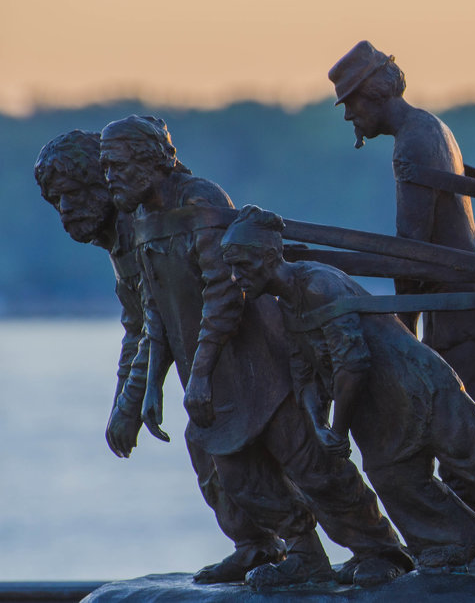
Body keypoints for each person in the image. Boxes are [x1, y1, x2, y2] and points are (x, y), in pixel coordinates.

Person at [99, 115, 411, 588]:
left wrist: (199, 373)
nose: (110, 177)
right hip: (209, 373)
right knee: (238, 475)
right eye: (105, 168)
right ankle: (300, 554)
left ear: (149, 160)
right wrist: (150, 388)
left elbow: (225, 295)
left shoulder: (200, 200)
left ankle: (382, 549)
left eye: (117, 165)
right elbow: (155, 308)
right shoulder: (140, 219)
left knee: (312, 464)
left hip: (259, 361)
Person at [219, 205, 475, 569]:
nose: (236, 277)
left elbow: (352, 364)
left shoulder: (319, 285)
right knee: (394, 478)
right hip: (382, 407)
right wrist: (318, 425)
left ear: (268, 257)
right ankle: (455, 538)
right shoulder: (288, 304)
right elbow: (305, 374)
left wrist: (339, 428)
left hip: (418, 385)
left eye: (242, 265)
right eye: (231, 267)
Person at [34, 130, 287, 584]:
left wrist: (129, 405)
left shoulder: (146, 225)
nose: (65, 212)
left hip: (243, 355)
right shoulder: (120, 239)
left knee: (267, 455)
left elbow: (155, 324)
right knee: (209, 452)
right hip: (209, 363)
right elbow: (141, 324)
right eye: (56, 202)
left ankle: (292, 546)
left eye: (72, 195)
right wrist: (125, 402)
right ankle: (256, 546)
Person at [330, 40, 475, 458]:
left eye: (351, 103)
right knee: (462, 427)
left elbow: (413, 248)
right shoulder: (428, 127)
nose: (350, 115)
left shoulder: (414, 142)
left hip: (461, 303)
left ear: (374, 93)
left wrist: (403, 330)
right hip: (459, 299)